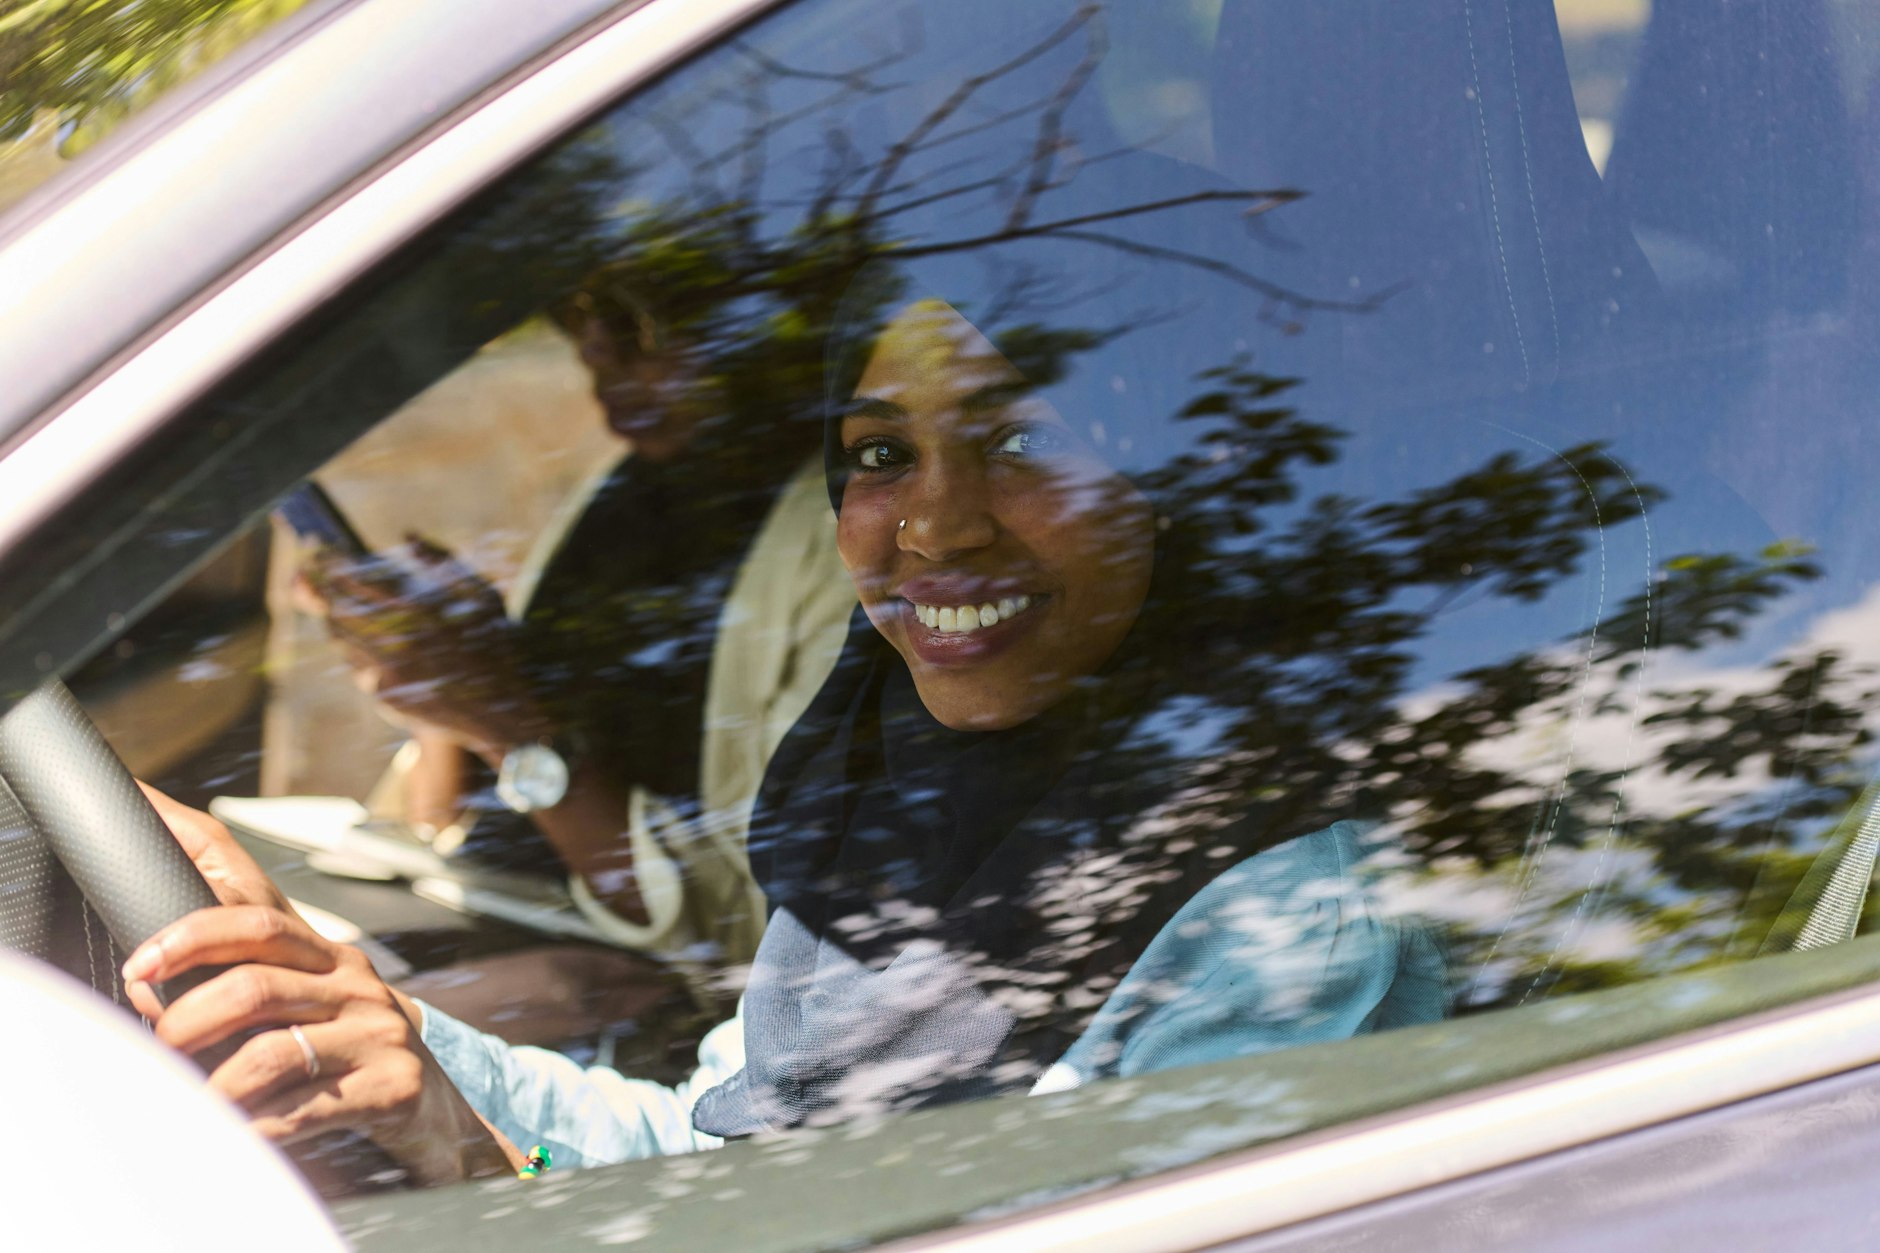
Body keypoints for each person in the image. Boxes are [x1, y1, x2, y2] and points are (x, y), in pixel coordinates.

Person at [122, 228, 1447, 1182]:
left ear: (1172, 478)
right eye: (879, 455)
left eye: (1025, 438)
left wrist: (475, 1145)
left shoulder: (1274, 912)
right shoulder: (880, 780)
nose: (930, 523)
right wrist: (383, 1037)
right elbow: (712, 1146)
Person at [292, 270, 852, 1025]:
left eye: (638, 325)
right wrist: (434, 687)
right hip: (468, 900)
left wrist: (503, 719)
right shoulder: (632, 489)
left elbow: (745, 935)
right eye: (572, 318)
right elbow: (469, 799)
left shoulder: (843, 546)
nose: (592, 350)